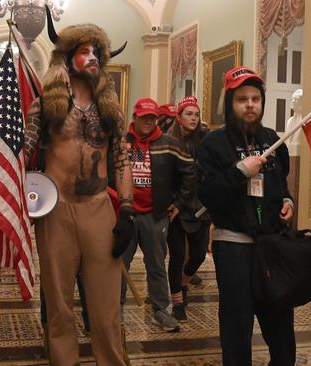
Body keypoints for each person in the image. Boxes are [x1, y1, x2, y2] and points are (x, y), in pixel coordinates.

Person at [23, 11, 133, 365]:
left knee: (106, 310)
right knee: (59, 307)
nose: (92, 58)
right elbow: (23, 151)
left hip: (99, 209)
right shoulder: (47, 104)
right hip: (56, 212)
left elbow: (122, 160)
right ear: (68, 59)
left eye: (97, 53)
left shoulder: (110, 110)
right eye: (84, 52)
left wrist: (127, 212)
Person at [197, 66, 295, 365]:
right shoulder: (212, 144)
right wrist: (240, 172)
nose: (250, 104)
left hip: (272, 247)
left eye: (255, 98)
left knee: (281, 324)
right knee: (237, 326)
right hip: (234, 247)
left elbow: (281, 183)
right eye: (242, 99)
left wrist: (288, 201)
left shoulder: (272, 139)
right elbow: (208, 195)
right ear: (230, 103)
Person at [120, 97, 195, 332]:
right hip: (126, 215)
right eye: (144, 117)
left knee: (156, 265)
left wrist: (179, 204)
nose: (148, 121)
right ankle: (116, 310)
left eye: (152, 117)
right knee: (120, 264)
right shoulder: (121, 143)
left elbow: (190, 174)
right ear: (135, 118)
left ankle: (160, 311)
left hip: (155, 215)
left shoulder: (169, 144)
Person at [167, 95, 211, 321]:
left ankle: (184, 283)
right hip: (175, 206)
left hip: (201, 206)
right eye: (189, 114)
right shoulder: (168, 140)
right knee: (176, 256)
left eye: (196, 114)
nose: (194, 118)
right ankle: (177, 301)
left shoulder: (205, 140)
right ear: (179, 116)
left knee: (198, 255)